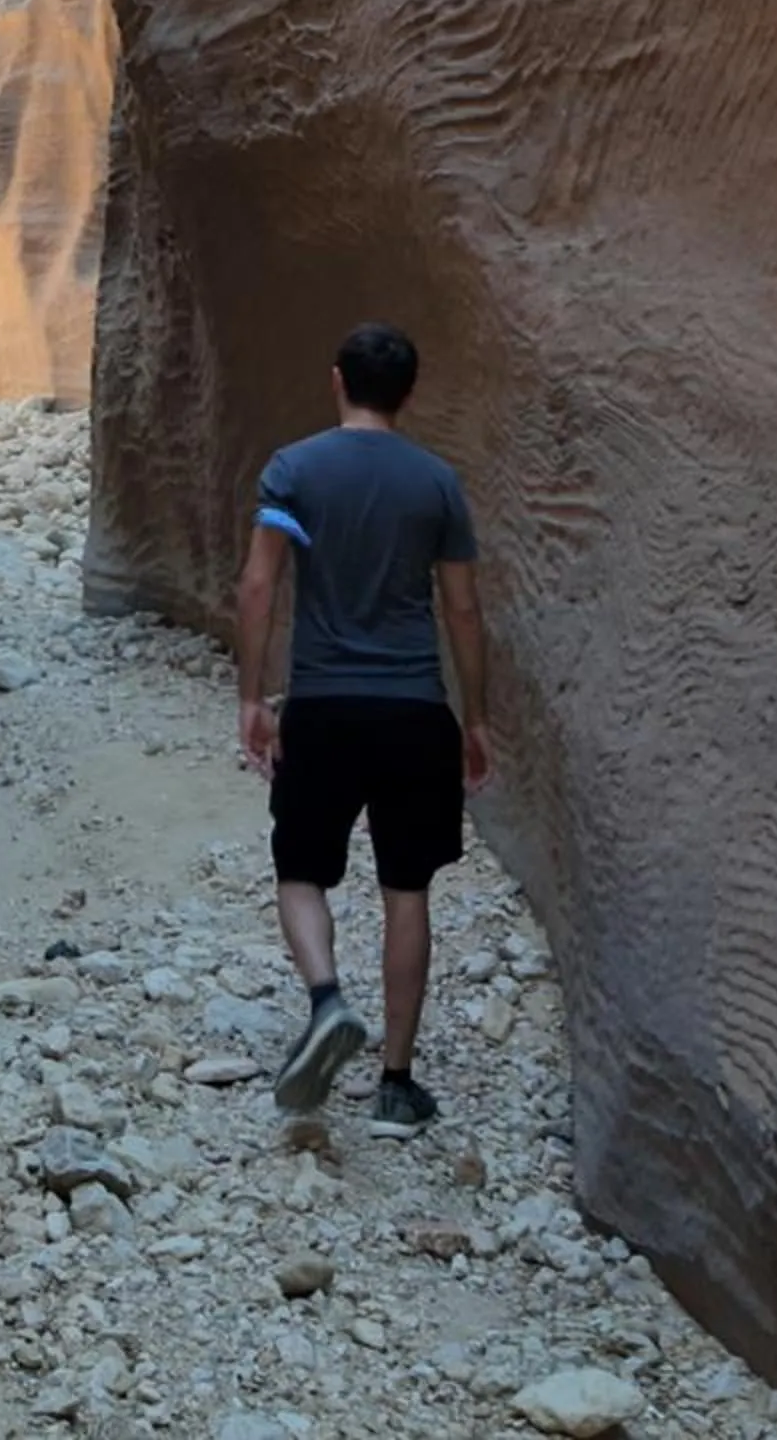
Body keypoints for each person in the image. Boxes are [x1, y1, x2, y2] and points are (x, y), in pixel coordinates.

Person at [233, 320, 494, 1137]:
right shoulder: (437, 484)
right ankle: (396, 1083)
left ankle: (326, 1000)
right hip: (415, 709)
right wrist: (475, 717)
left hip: (324, 704)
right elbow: (462, 608)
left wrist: (252, 697)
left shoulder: (293, 471)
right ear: (408, 393)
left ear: (337, 381)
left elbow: (259, 585)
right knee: (406, 889)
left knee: (300, 870)